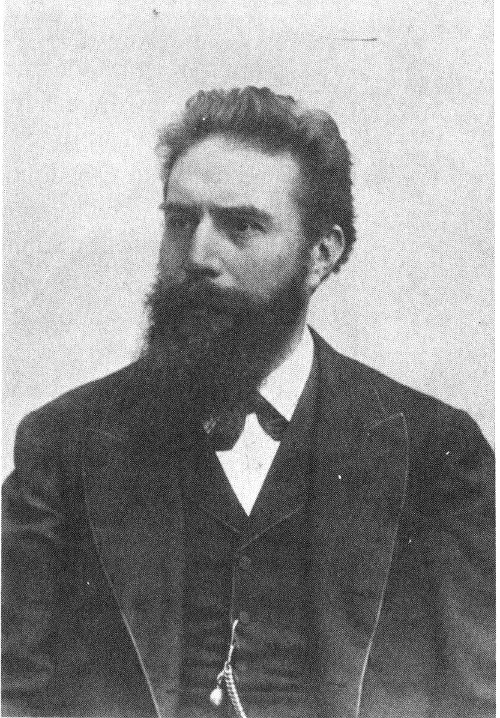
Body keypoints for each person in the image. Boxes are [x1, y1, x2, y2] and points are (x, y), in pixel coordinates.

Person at [2, 86, 494, 718]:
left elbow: (475, 700)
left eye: (241, 226)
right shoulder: (65, 447)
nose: (199, 256)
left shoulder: (436, 454)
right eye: (182, 222)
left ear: (322, 254)